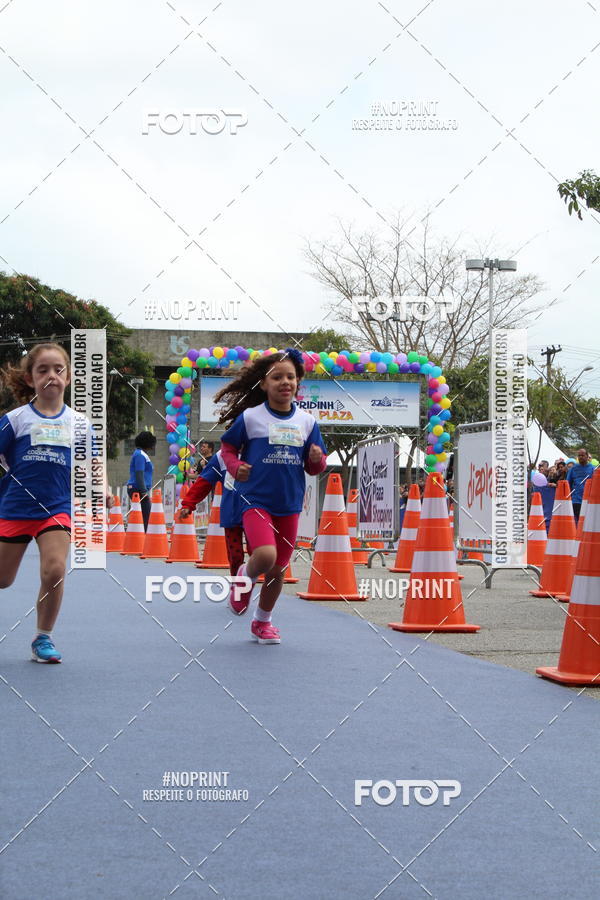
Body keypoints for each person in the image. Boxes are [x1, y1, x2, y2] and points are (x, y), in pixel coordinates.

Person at [0, 343, 109, 663]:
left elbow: (93, 461)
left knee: (55, 569)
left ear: (69, 377)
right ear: (30, 379)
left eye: (58, 370)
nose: (51, 376)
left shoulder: (80, 424)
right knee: (3, 580)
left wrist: (101, 486)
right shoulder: (15, 420)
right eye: (43, 370)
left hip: (56, 509)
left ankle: (43, 637)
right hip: (15, 508)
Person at [215, 348, 327, 644]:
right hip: (255, 500)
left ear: (298, 382)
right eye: (277, 377)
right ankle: (244, 578)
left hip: (289, 504)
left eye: (290, 377)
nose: (285, 382)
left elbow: (315, 468)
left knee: (278, 571)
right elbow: (227, 449)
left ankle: (262, 622)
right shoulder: (251, 418)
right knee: (265, 556)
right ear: (263, 384)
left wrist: (316, 459)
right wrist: (235, 466)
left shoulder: (307, 422)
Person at [180, 451, 247, 575]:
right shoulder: (221, 456)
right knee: (235, 557)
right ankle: (238, 584)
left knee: (259, 553)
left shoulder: (259, 450)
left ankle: (257, 582)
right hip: (231, 514)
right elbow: (204, 481)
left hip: (257, 513)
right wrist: (188, 503)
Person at [127, 431, 156, 531]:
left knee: (144, 517)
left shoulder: (141, 454)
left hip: (138, 489)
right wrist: (144, 491)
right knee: (146, 517)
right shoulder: (140, 455)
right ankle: (142, 537)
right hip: (138, 489)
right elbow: (139, 474)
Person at [566, 448, 594, 523]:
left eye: (582, 455)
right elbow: (568, 483)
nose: (580, 457)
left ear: (587, 456)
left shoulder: (592, 468)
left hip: (588, 500)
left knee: (587, 521)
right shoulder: (573, 468)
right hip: (576, 499)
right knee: (578, 521)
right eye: (579, 455)